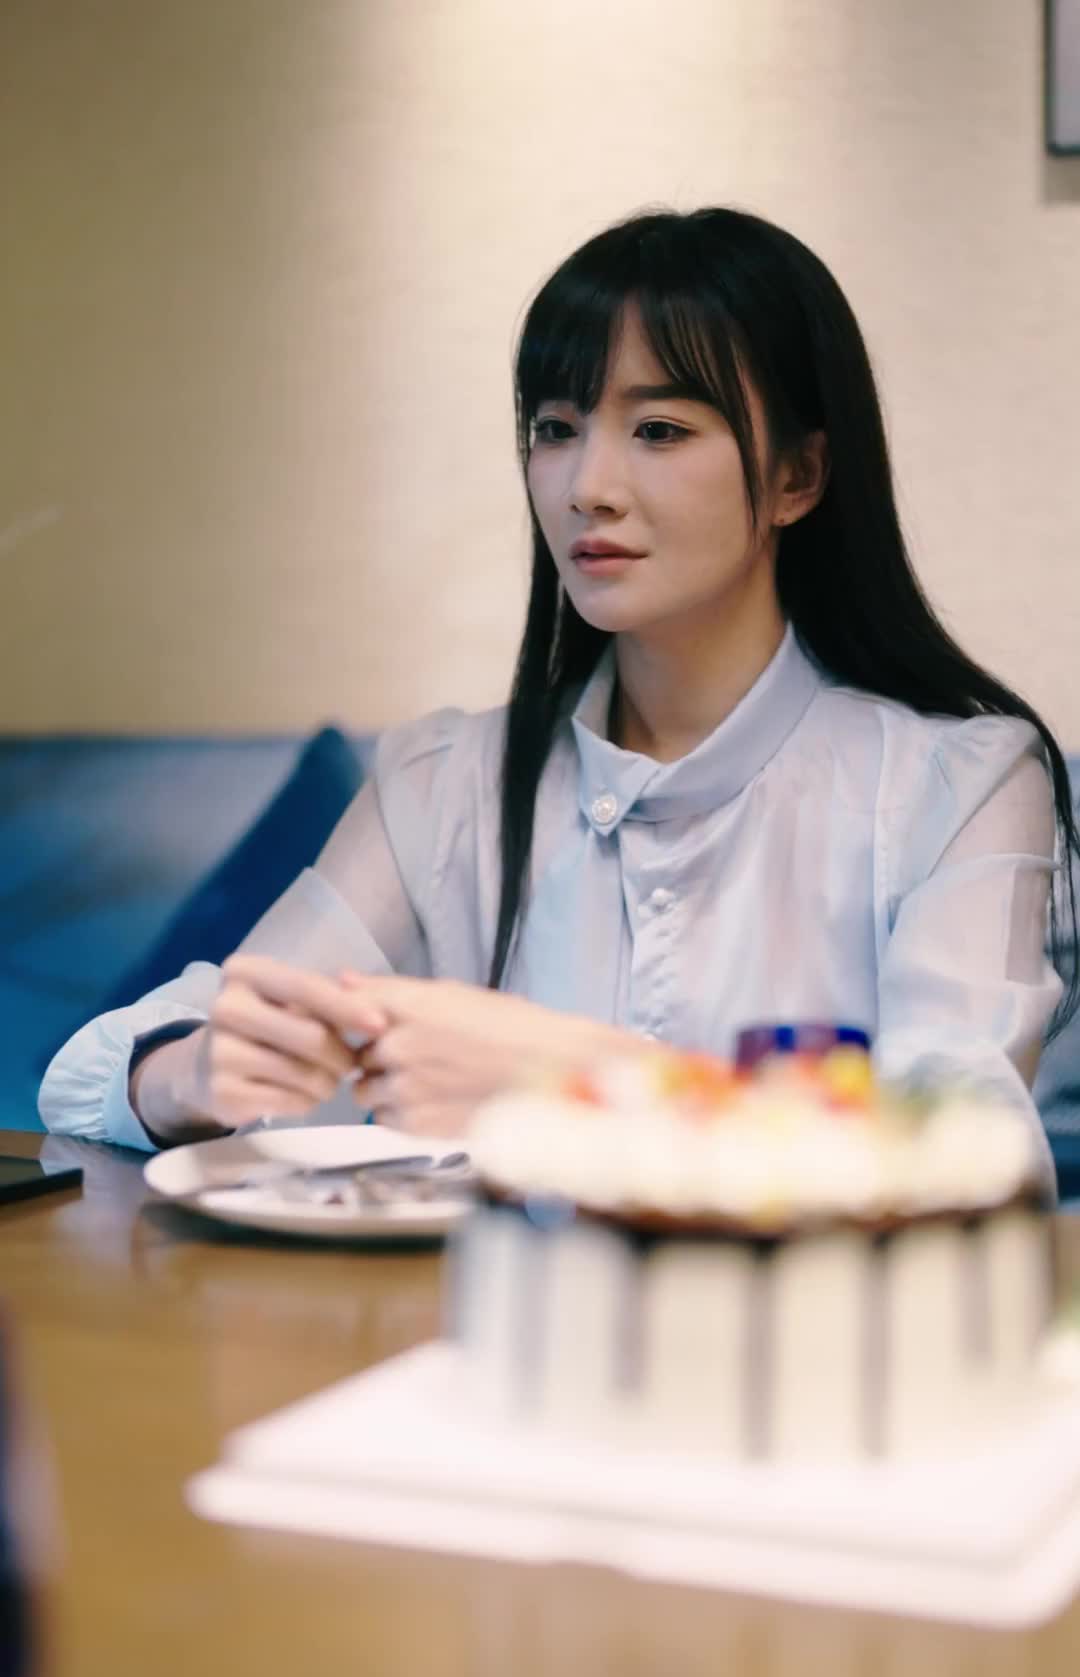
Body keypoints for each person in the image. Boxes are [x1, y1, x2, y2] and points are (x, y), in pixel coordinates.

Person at [38, 205, 1078, 1186]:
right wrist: (192, 1075)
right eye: (555, 428)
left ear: (798, 477)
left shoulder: (960, 782)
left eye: (659, 430)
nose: (587, 487)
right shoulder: (444, 781)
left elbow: (967, 1146)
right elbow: (96, 1073)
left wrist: (576, 1077)